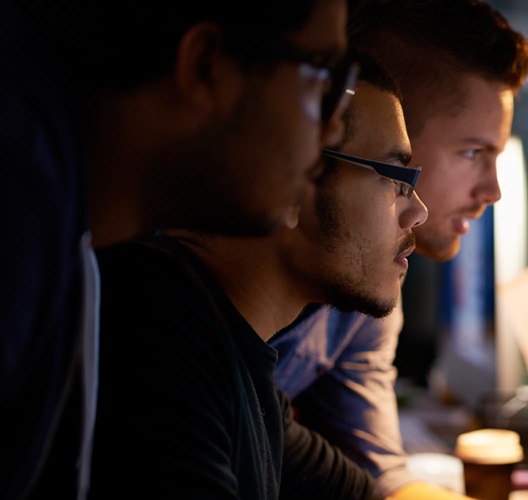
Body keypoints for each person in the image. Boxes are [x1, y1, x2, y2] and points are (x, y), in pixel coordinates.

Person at [269, 1, 528, 499]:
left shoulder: (361, 294)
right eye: (473, 152)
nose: (493, 191)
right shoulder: (188, 324)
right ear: (375, 129)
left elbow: (376, 477)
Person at [1, 0, 353, 496]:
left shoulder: (65, 222)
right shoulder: (21, 189)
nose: (335, 127)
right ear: (206, 65)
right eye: (326, 78)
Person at [90, 54, 422, 499]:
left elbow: (358, 494)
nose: (418, 212)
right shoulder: (157, 335)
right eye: (395, 178)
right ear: (293, 181)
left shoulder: (238, 353)